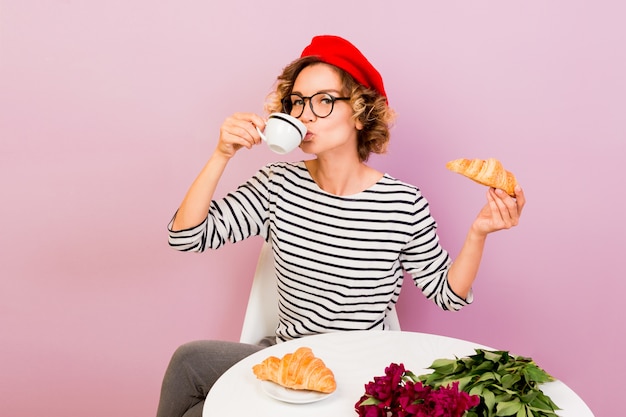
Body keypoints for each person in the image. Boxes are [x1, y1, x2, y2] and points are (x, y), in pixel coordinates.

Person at [156, 34, 525, 417]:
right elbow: (186, 236)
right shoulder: (277, 185)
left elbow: (447, 295)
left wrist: (478, 232)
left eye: (324, 101)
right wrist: (221, 154)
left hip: (360, 375)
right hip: (285, 363)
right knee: (189, 363)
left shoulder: (402, 203)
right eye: (297, 102)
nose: (305, 114)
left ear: (361, 112)